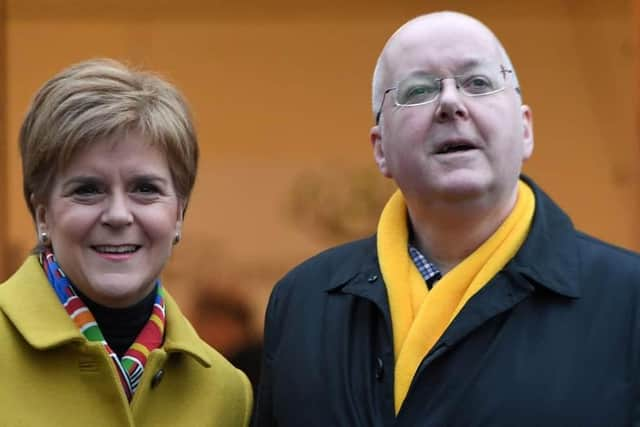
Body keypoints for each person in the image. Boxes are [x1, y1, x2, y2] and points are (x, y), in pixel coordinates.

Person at [253, 11, 640, 427]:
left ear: (525, 129)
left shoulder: (627, 299)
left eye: (478, 83)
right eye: (418, 90)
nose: (451, 103)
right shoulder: (304, 303)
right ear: (380, 149)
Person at [0, 59, 252, 426]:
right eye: (87, 190)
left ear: (179, 214)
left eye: (145, 189)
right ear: (42, 215)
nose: (118, 215)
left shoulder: (225, 391)